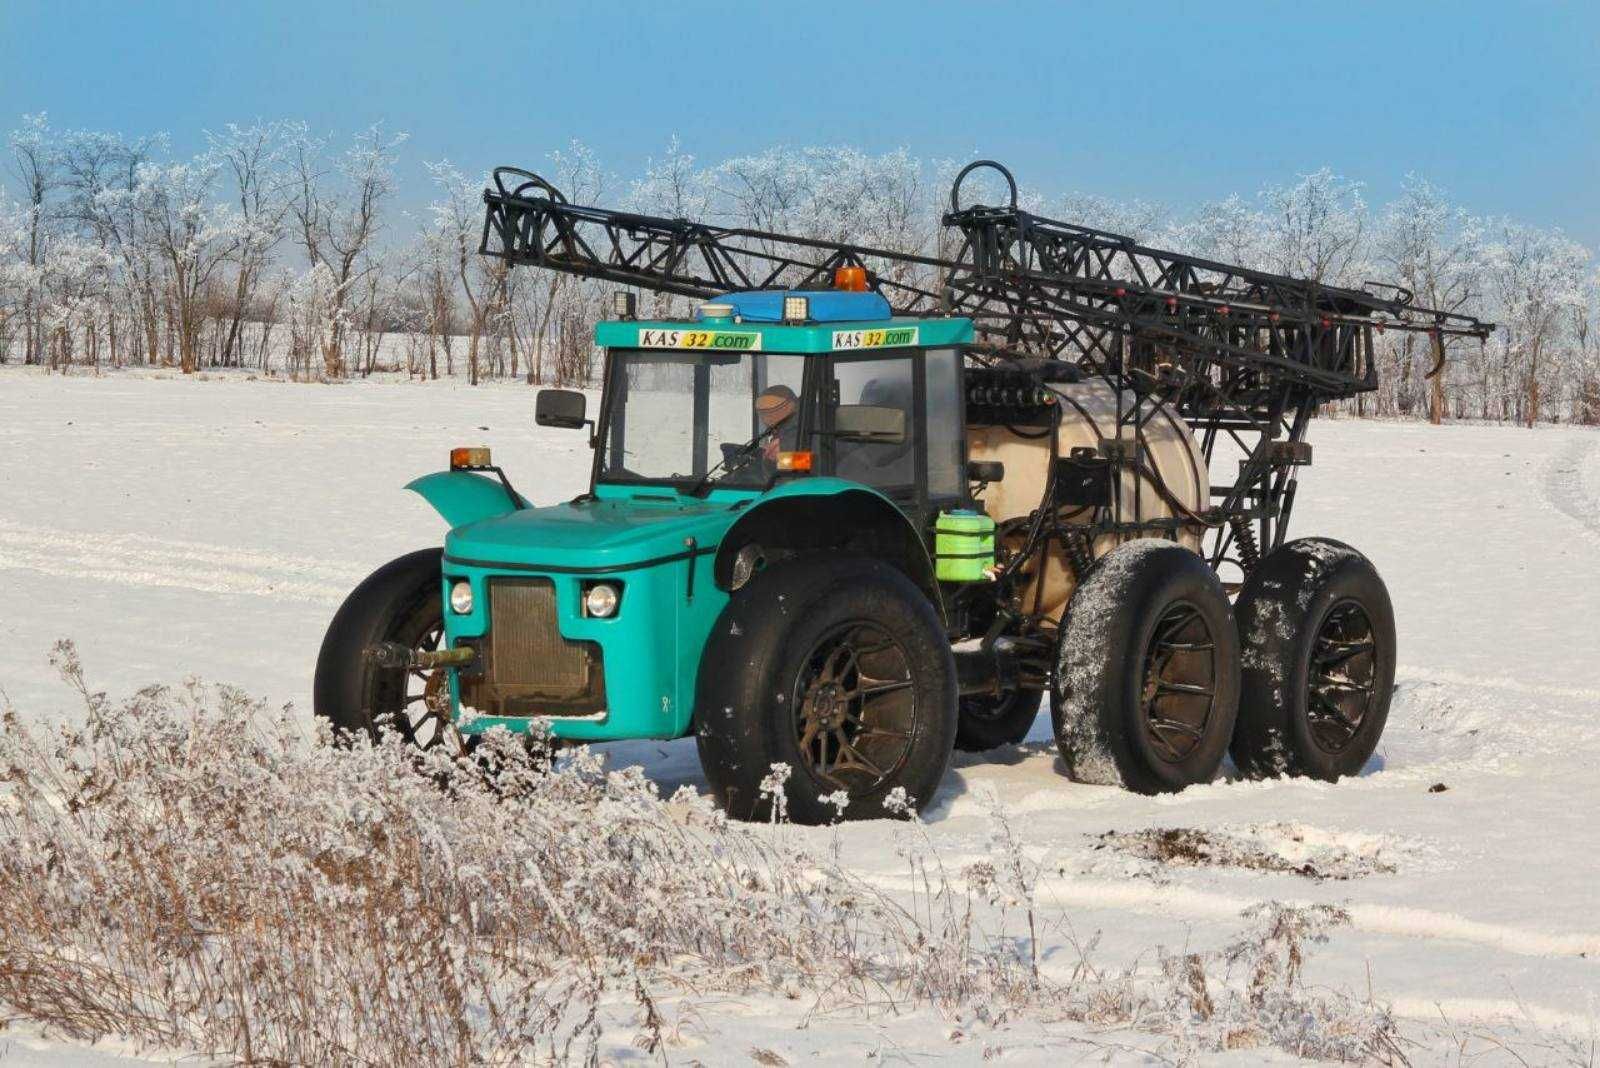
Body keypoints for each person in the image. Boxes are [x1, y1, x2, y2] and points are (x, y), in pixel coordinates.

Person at [754, 384, 799, 465]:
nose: (766, 419)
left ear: (789, 406)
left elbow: (817, 464)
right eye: (763, 414)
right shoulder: (783, 425)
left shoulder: (810, 422)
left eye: (770, 413)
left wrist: (779, 459)